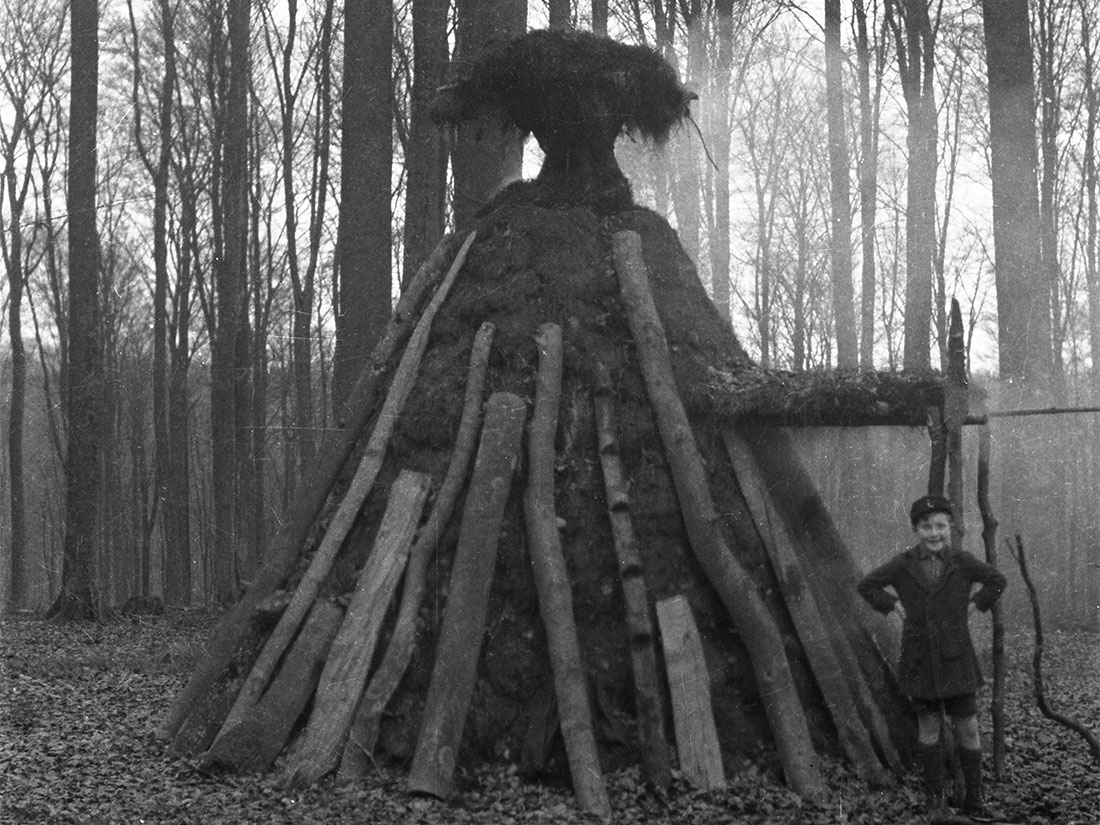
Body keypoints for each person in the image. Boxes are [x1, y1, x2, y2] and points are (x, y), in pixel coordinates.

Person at [858, 494, 1006, 823]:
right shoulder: (903, 563)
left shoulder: (963, 561)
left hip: (957, 660)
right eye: (926, 527)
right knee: (929, 729)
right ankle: (935, 805)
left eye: (940, 526)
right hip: (919, 661)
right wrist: (890, 604)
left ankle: (974, 801)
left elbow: (997, 580)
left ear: (950, 527)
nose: (934, 533)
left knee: (968, 728)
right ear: (916, 529)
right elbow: (866, 585)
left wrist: (976, 604)